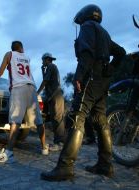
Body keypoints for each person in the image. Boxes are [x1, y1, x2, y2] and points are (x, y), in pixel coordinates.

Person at [41, 4, 126, 181]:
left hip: (91, 77)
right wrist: (109, 70)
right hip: (102, 81)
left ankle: (65, 167)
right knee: (100, 119)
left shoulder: (87, 26)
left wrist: (78, 76)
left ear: (86, 15)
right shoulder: (104, 32)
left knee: (77, 117)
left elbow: (86, 53)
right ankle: (105, 165)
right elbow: (121, 52)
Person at [0, 41, 49, 163]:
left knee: (15, 121)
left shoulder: (9, 54)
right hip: (31, 88)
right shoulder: (27, 58)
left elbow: (0, 72)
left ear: (12, 48)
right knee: (39, 121)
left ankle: (9, 152)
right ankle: (44, 147)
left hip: (18, 88)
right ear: (21, 48)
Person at [37, 53, 66, 151]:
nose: (42, 62)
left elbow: (45, 81)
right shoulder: (50, 67)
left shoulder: (51, 66)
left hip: (55, 95)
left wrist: (37, 92)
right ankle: (58, 142)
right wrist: (42, 70)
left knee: (57, 119)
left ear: (47, 59)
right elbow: (46, 79)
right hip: (54, 96)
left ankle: (60, 143)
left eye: (43, 60)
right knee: (55, 119)